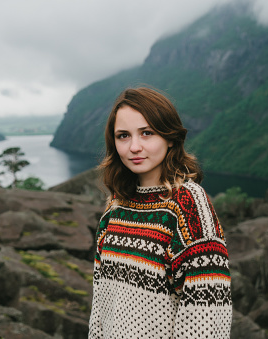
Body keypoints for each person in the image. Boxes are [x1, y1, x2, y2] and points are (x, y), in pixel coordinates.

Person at [89, 87, 232, 338]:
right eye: (123, 136)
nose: (134, 146)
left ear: (170, 137)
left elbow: (206, 314)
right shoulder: (116, 205)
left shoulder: (187, 203)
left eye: (147, 133)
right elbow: (101, 303)